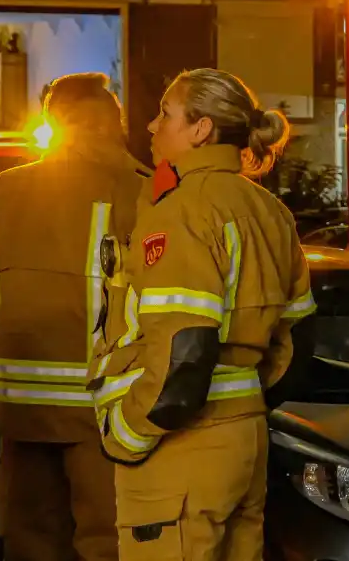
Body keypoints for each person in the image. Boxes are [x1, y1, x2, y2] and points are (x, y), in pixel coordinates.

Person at [89, 68, 315, 561]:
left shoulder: (181, 211)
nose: (151, 127)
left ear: (201, 129)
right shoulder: (270, 211)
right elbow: (298, 344)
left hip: (179, 451)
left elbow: (184, 355)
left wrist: (125, 434)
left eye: (165, 114)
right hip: (245, 442)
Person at [0, 72, 147, 561]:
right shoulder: (147, 198)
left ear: (53, 123)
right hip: (109, 416)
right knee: (109, 544)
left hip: (19, 412)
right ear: (115, 122)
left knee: (31, 544)